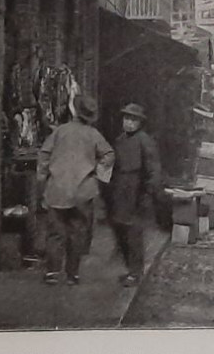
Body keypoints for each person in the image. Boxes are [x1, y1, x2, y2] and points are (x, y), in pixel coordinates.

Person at [36, 94, 114, 285]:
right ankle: (72, 274)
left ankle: (53, 273)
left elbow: (44, 156)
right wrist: (97, 172)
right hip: (83, 192)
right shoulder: (94, 134)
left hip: (57, 189)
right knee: (77, 233)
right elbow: (109, 154)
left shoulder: (59, 131)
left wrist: (42, 180)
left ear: (74, 110)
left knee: (55, 233)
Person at [110, 102, 161, 287]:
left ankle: (135, 272)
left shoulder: (144, 140)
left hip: (136, 190)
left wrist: (148, 193)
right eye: (126, 118)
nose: (129, 122)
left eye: (133, 119)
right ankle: (129, 269)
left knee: (133, 234)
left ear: (140, 123)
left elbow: (154, 170)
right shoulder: (120, 140)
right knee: (120, 231)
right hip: (120, 190)